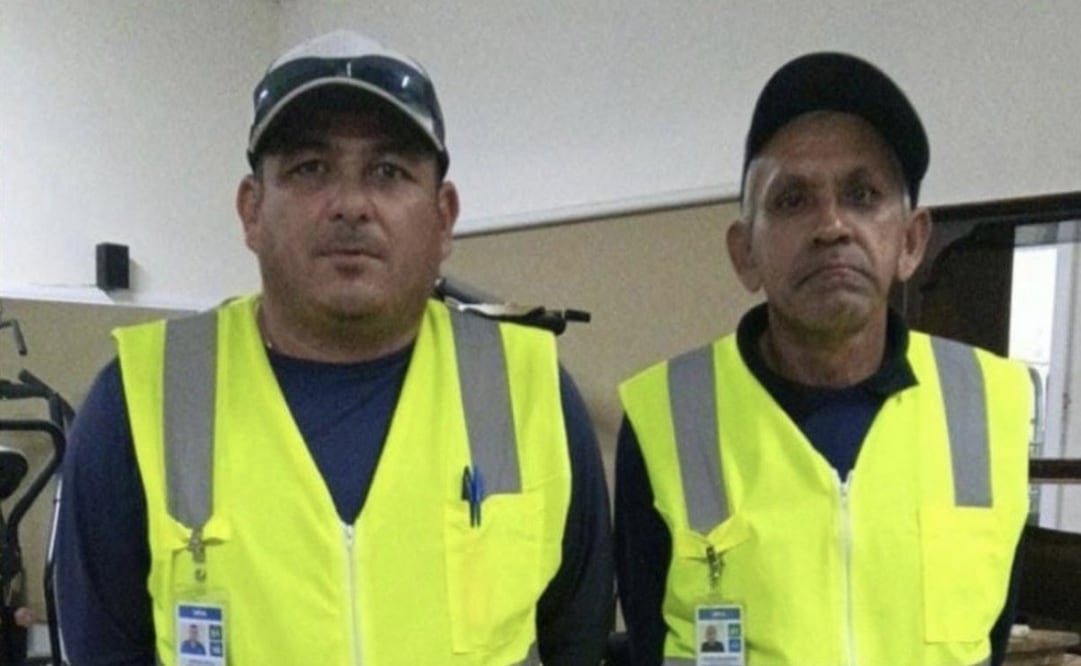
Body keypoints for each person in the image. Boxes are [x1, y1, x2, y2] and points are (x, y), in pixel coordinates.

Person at [56, 30, 613, 665]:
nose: (350, 205)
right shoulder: (142, 400)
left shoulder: (529, 393)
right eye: (310, 168)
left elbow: (578, 641)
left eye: (388, 171)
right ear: (251, 211)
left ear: (443, 217)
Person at [615, 52, 1030, 666]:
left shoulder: (988, 406)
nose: (831, 225)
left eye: (862, 195)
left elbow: (988, 641)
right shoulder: (669, 419)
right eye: (791, 200)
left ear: (911, 240)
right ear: (745, 253)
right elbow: (651, 645)